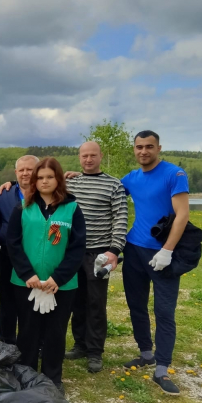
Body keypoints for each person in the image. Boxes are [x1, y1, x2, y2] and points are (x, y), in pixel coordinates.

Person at [7, 157, 86, 394]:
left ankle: (53, 378)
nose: (44, 181)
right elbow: (13, 243)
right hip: (26, 283)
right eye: (39, 177)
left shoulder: (72, 208)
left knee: (55, 331)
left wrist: (58, 279)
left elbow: (77, 247)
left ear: (58, 179)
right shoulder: (23, 208)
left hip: (61, 285)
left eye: (49, 177)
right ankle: (26, 374)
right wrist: (27, 274)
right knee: (28, 330)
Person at [120, 131, 189, 395]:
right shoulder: (131, 178)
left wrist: (167, 250)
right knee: (136, 305)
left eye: (149, 147)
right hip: (135, 249)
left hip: (164, 253)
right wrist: (73, 176)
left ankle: (162, 369)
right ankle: (146, 353)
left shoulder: (174, 174)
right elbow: (105, 190)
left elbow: (182, 214)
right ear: (134, 149)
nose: (144, 151)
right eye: (139, 147)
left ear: (159, 148)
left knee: (164, 311)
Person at [61, 142, 128, 373]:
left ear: (101, 156)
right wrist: (9, 184)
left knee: (96, 303)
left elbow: (120, 219)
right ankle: (79, 344)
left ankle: (95, 351)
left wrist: (114, 251)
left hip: (98, 253)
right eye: (84, 155)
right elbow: (43, 186)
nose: (88, 159)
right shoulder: (71, 183)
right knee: (75, 301)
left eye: (93, 155)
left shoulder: (114, 185)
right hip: (72, 252)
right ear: (79, 157)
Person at [0, 155, 39, 344]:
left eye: (30, 169)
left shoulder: (47, 194)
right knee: (7, 299)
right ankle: (6, 340)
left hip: (36, 256)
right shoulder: (3, 196)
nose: (26, 173)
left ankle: (34, 342)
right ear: (16, 173)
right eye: (22, 170)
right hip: (8, 256)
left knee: (33, 299)